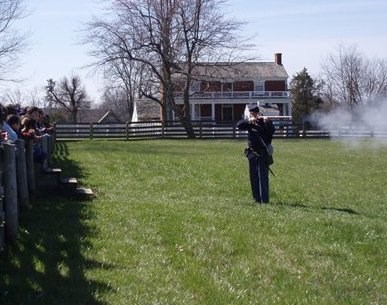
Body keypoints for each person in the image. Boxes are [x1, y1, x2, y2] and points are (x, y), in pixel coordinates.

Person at [237, 104, 275, 204]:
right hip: (252, 153)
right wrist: (249, 121)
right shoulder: (249, 123)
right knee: (253, 178)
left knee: (263, 178)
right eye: (251, 114)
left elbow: (271, 131)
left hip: (262, 153)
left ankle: (264, 200)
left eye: (254, 113)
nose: (253, 115)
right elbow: (239, 125)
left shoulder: (264, 122)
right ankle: (256, 199)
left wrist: (268, 122)